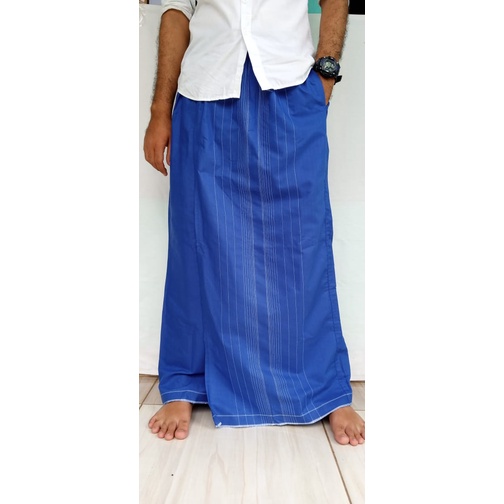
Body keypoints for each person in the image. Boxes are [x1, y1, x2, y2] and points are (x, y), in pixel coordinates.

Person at [143, 0, 365, 446]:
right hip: (204, 87)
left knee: (303, 241)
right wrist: (160, 110)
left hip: (289, 83)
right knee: (195, 242)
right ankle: (186, 382)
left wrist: (325, 74)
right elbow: (176, 10)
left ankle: (324, 387)